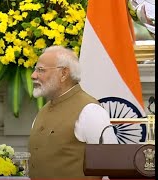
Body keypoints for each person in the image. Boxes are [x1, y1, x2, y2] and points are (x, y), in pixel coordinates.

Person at [28, 46, 118, 179]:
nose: (33, 75)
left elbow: (111, 164)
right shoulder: (44, 110)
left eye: (40, 70)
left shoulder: (90, 110)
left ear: (64, 73)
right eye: (35, 70)